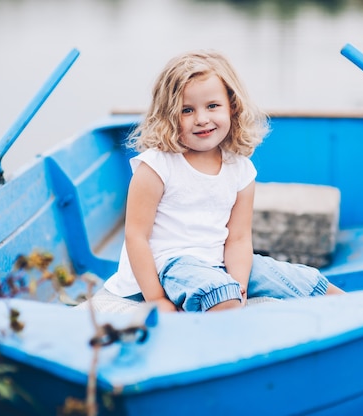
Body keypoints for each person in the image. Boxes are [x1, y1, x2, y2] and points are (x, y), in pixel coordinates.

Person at [103, 50, 343, 313]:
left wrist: (239, 285)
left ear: (232, 106)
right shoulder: (156, 166)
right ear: (168, 115)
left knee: (301, 280)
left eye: (212, 106)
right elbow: (136, 236)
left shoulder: (240, 169)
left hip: (218, 261)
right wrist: (156, 299)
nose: (202, 119)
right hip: (169, 266)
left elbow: (239, 239)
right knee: (220, 295)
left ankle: (357, 315)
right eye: (187, 110)